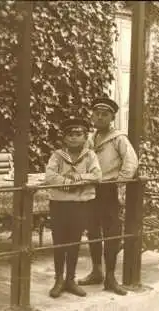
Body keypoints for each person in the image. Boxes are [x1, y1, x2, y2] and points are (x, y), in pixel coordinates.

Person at [78, 98, 139, 296]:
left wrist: (120, 182)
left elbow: (131, 161)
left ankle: (110, 277)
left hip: (109, 190)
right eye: (96, 114)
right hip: (92, 189)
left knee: (111, 233)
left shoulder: (118, 138)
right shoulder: (91, 138)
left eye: (105, 114)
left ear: (112, 117)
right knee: (93, 231)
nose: (100, 117)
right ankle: (96, 271)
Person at [45, 117, 102, 298]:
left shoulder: (90, 156)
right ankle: (58, 279)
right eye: (70, 134)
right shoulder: (57, 156)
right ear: (64, 138)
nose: (74, 138)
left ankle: (70, 279)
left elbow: (97, 175)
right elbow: (50, 176)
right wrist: (66, 182)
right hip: (59, 204)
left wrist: (80, 179)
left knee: (74, 241)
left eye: (78, 134)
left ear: (86, 137)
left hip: (80, 205)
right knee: (59, 241)